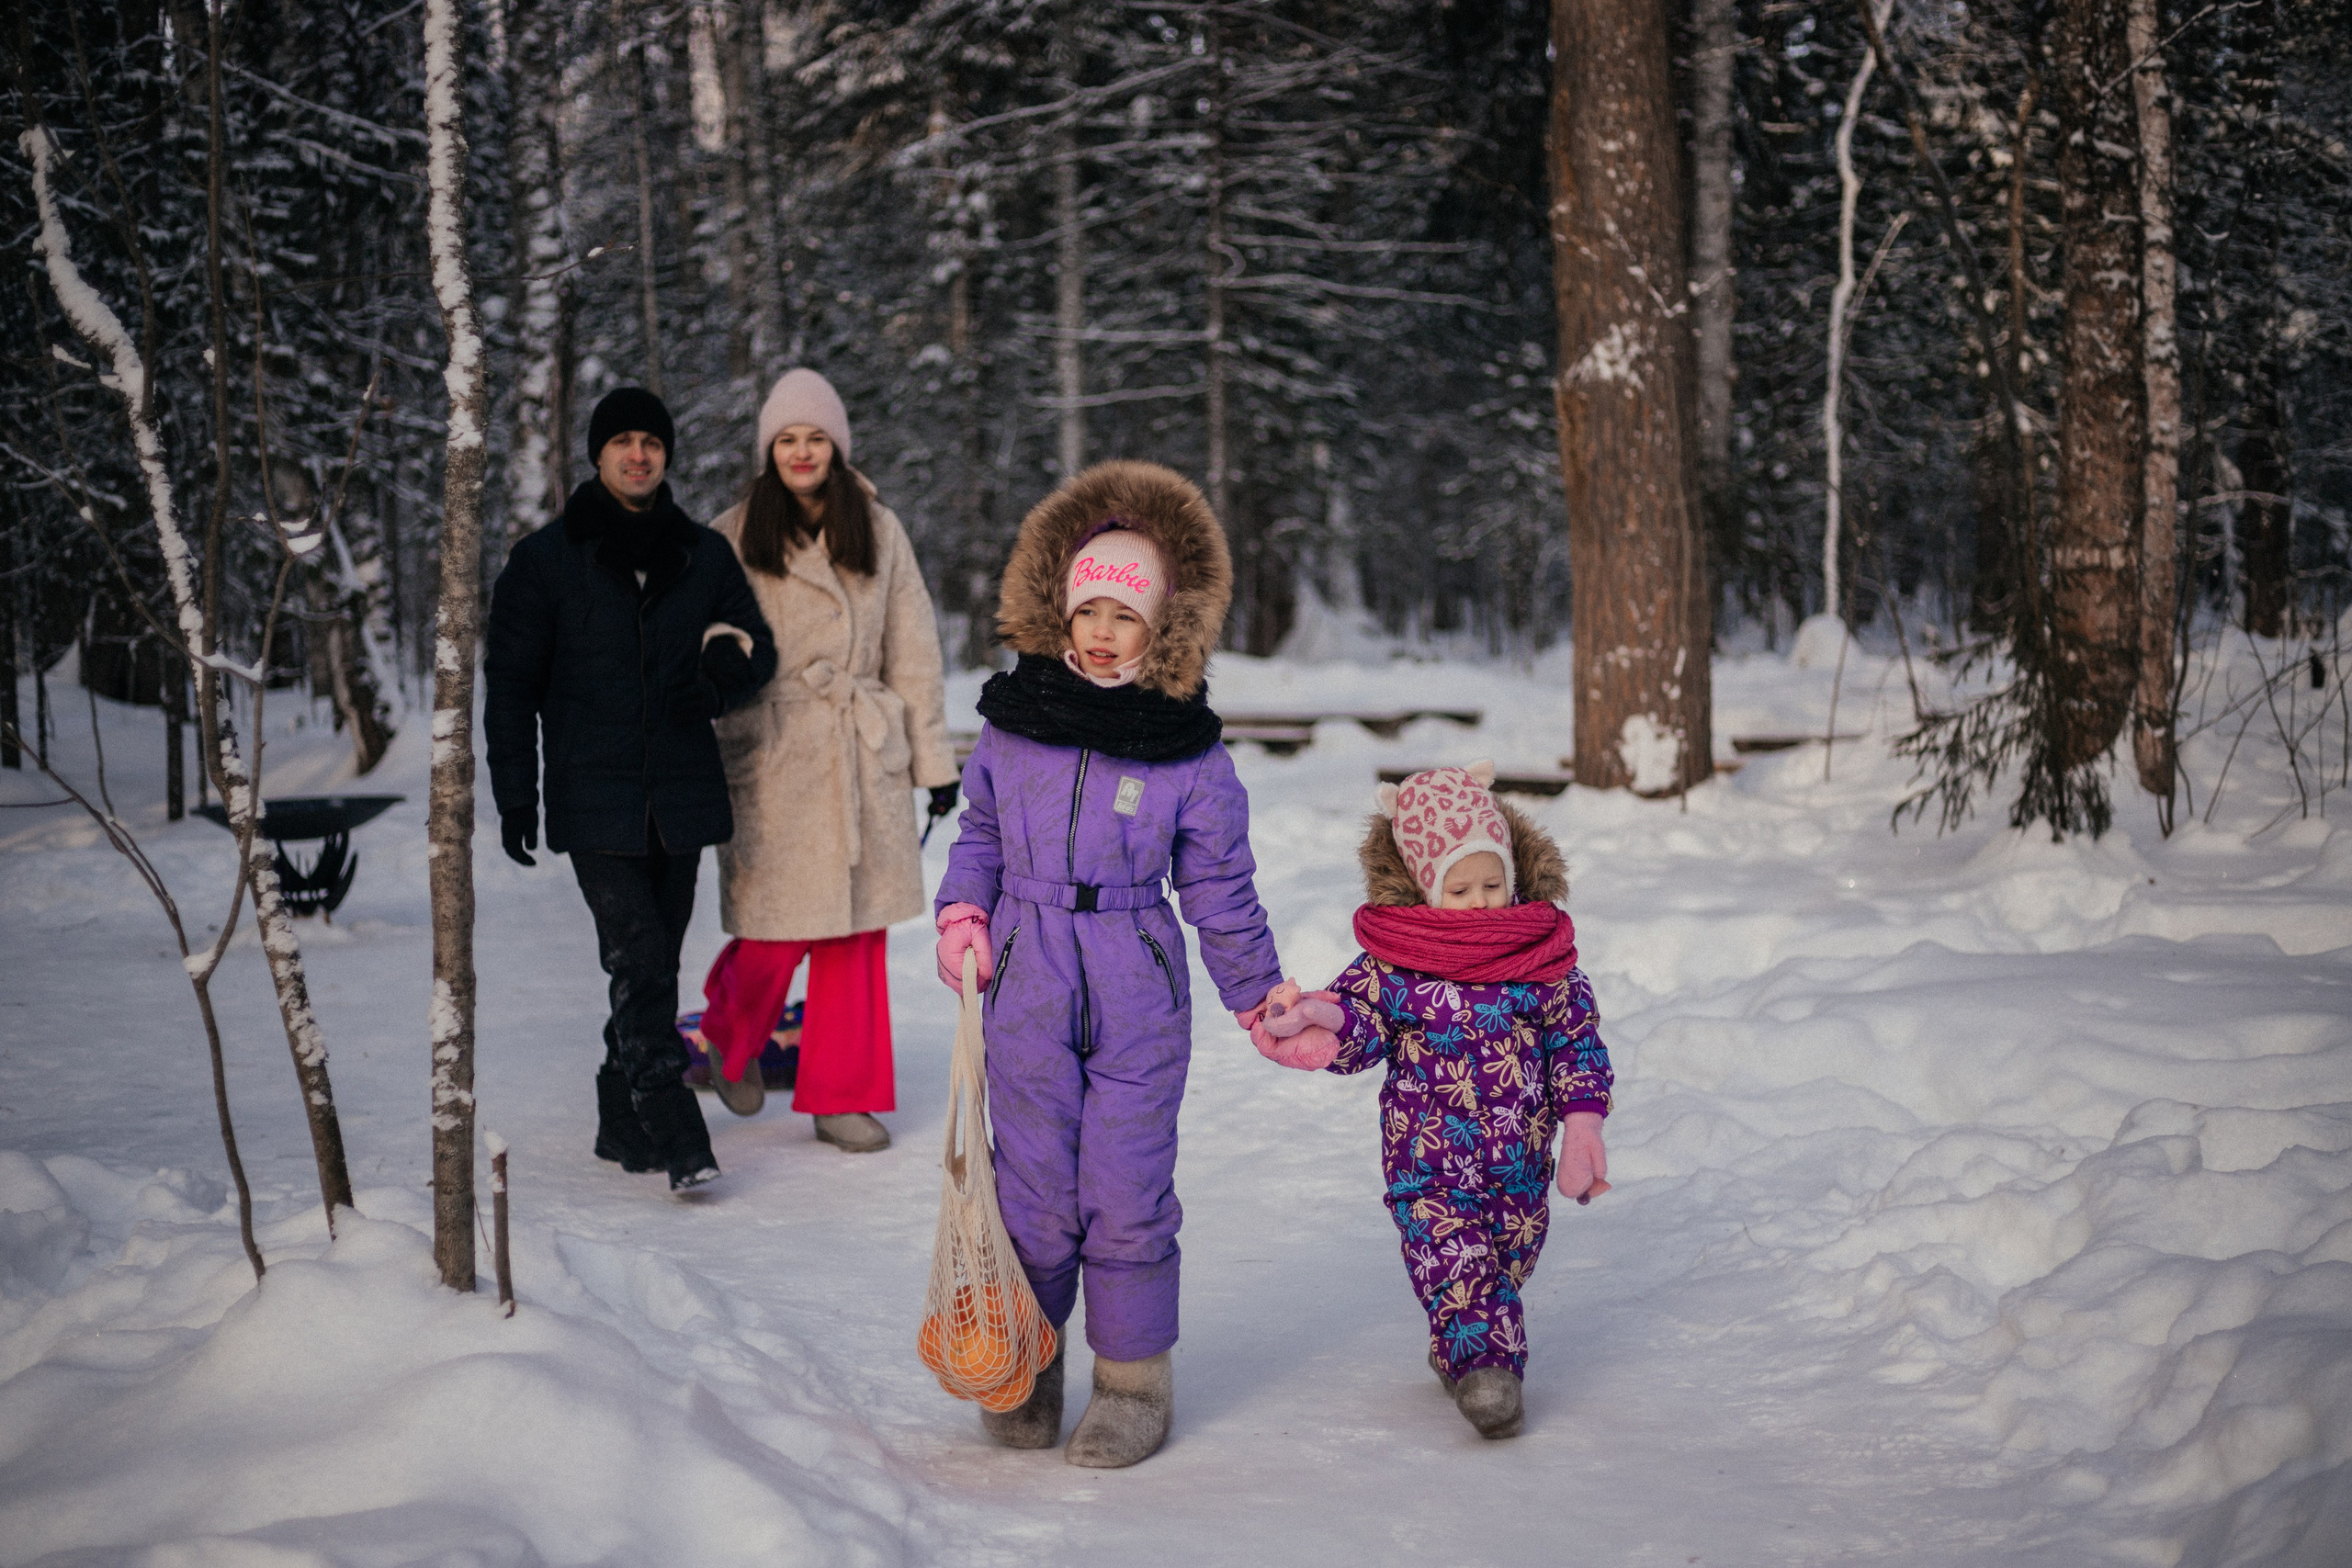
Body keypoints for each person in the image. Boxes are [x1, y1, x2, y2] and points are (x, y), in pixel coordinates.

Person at [931, 460, 1291, 1468]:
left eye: (1123, 616)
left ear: (1160, 627)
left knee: (1126, 1192)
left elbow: (1219, 887)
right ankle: (1031, 1361)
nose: (1099, 631)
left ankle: (1133, 1381)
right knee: (1033, 1192)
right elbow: (981, 831)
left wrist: (1258, 994)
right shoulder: (1014, 725)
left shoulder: (1188, 752)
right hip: (1026, 978)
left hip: (1137, 984)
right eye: (1086, 609)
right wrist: (964, 909)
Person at [1251, 761, 1612, 1438]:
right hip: (1429, 1158)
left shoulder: (1539, 959)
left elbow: (1576, 1042)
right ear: (1425, 887)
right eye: (1460, 888)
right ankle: (1490, 1373)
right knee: (1456, 1259)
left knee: (1507, 1261)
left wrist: (1583, 1125)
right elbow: (1360, 1021)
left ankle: (1460, 1344)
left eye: (1493, 884)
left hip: (1519, 1160)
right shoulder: (1398, 960)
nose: (1480, 903)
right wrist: (1324, 1023)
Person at [485, 387, 779, 1191]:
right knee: (639, 953)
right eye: (623, 441)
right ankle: (675, 1126)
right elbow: (510, 686)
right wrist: (515, 793)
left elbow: (756, 645)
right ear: (598, 454)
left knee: (653, 966)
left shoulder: (702, 554)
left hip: (679, 796)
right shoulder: (545, 560)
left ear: (666, 454)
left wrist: (716, 678)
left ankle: (619, 1118)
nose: (639, 454)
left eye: (651, 441)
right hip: (593, 797)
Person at [694, 368, 959, 1153]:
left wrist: (933, 765)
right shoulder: (731, 533)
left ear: (837, 447)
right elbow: (700, 633)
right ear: (768, 449)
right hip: (772, 750)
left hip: (860, 748)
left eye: (816, 438)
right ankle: (729, 1034)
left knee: (855, 934)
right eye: (787, 439)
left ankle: (842, 1097)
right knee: (775, 927)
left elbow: (914, 649)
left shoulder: (878, 529)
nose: (802, 451)